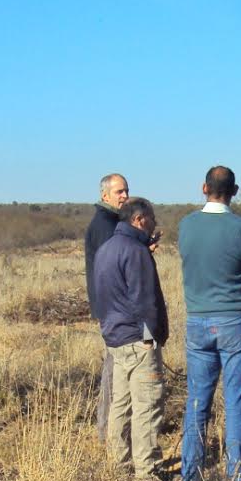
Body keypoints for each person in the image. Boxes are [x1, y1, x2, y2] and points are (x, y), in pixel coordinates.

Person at [177, 166, 241, 481]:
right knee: (237, 402)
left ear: (204, 188)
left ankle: (190, 476)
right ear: (233, 193)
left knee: (197, 402)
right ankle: (237, 479)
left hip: (198, 321)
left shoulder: (186, 225)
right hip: (235, 320)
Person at [93, 198, 169, 480]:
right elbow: (143, 301)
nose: (154, 225)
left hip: (115, 339)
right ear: (139, 220)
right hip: (138, 339)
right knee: (147, 406)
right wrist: (152, 339)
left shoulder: (106, 249)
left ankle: (119, 466)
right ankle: (146, 473)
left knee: (120, 406)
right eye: (152, 220)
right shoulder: (135, 251)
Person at [85, 173, 130, 440]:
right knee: (115, 371)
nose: (125, 196)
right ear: (105, 196)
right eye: (119, 192)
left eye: (126, 191)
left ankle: (112, 428)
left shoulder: (113, 221)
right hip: (113, 309)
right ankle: (108, 431)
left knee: (117, 368)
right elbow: (111, 268)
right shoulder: (104, 224)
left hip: (113, 308)